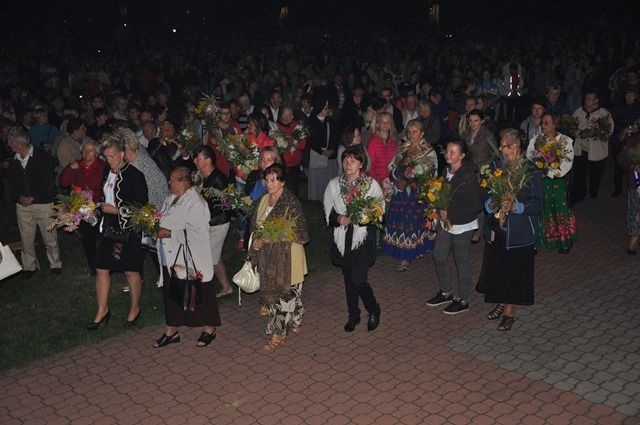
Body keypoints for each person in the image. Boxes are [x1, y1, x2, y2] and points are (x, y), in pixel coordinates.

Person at [476, 128, 542, 331]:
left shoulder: (531, 171)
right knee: (498, 268)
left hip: (519, 231)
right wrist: (490, 204)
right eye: (502, 146)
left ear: (517, 146)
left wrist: (517, 207)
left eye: (508, 146)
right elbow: (484, 191)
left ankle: (509, 310)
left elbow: (538, 205)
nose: (503, 150)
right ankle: (501, 301)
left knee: (514, 271)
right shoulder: (496, 167)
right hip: (498, 227)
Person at [153, 166, 221, 348]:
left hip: (191, 257)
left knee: (197, 294)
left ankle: (209, 328)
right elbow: (164, 219)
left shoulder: (196, 203)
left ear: (183, 182)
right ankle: (171, 331)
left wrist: (167, 233)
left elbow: (196, 233)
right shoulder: (172, 198)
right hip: (172, 256)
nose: (169, 182)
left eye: (172, 179)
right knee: (172, 294)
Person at [87, 132, 149, 330]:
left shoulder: (135, 175)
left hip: (128, 227)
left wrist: (117, 210)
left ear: (122, 153)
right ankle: (102, 309)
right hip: (108, 226)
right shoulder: (107, 171)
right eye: (106, 156)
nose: (109, 160)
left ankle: (135, 308)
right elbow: (103, 194)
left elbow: (142, 207)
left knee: (131, 270)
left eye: (112, 155)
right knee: (101, 268)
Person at [248, 163, 308, 351]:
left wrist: (277, 236)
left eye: (273, 180)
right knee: (285, 296)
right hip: (268, 258)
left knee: (285, 296)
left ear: (282, 182)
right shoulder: (263, 201)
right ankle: (296, 318)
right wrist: (256, 242)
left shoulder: (291, 202)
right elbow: (256, 228)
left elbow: (302, 235)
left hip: (288, 257)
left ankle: (279, 334)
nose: (269, 183)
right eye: (266, 180)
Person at [324, 146, 383, 332]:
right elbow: (328, 211)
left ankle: (373, 309)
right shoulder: (334, 184)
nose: (348, 164)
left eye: (353, 160)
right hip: (342, 238)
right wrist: (338, 218)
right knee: (348, 280)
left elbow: (379, 210)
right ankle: (354, 315)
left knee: (358, 279)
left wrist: (363, 217)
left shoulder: (370, 184)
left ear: (361, 164)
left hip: (362, 238)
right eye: (345, 160)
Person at [426, 139, 481, 314]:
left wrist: (451, 213)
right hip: (446, 223)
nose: (448, 154)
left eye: (453, 152)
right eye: (447, 150)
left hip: (463, 224)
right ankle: (445, 292)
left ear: (462, 156)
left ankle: (463, 300)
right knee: (439, 255)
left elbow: (476, 205)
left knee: (461, 260)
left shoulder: (468, 175)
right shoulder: (445, 171)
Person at [7, 126, 62, 279]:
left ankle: (55, 264)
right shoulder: (14, 161)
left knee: (50, 236)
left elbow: (47, 181)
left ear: (17, 143)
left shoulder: (41, 156)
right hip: (23, 206)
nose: (9, 145)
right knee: (26, 238)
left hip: (44, 204)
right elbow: (12, 184)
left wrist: (33, 197)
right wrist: (20, 198)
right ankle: (29, 266)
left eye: (10, 142)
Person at [383, 119, 438, 271]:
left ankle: (406, 257)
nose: (411, 134)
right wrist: (395, 178)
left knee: (412, 225)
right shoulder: (403, 147)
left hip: (416, 195)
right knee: (400, 222)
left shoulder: (428, 151)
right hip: (400, 194)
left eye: (414, 132)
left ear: (422, 133)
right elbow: (392, 166)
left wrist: (407, 181)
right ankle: (402, 251)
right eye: (409, 131)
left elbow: (428, 172)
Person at [526, 112, 577, 253]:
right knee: (541, 209)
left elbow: (567, 163)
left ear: (555, 124)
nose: (543, 125)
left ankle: (564, 242)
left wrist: (549, 172)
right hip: (540, 180)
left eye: (547, 122)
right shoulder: (537, 140)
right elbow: (529, 156)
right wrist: (538, 166)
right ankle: (539, 240)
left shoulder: (564, 141)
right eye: (542, 122)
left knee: (558, 210)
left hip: (557, 181)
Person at [58, 138, 106, 274]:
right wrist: (70, 168)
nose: (87, 153)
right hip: (81, 207)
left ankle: (105, 263)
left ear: (96, 153)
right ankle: (94, 266)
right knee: (88, 239)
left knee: (101, 236)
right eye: (85, 150)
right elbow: (63, 182)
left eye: (91, 150)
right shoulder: (76, 165)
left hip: (98, 206)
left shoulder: (102, 166)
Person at [193, 146, 234, 298]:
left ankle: (202, 292)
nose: (195, 161)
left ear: (208, 160)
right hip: (210, 222)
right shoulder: (203, 176)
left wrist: (205, 215)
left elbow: (226, 205)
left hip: (218, 223)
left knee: (210, 258)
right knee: (214, 257)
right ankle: (226, 287)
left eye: (198, 158)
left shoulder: (218, 179)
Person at [571, 90, 615, 204]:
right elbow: (572, 127)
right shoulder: (579, 111)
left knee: (596, 172)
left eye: (590, 99)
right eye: (586, 98)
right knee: (579, 173)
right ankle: (579, 193)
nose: (587, 101)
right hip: (581, 149)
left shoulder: (603, 113)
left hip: (597, 150)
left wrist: (598, 131)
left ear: (596, 100)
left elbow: (609, 130)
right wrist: (579, 133)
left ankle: (593, 192)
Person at [306, 97, 339, 201]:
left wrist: (332, 149)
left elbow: (336, 137)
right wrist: (322, 151)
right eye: (325, 108)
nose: (328, 110)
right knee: (318, 177)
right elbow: (311, 141)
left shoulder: (331, 121)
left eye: (327, 108)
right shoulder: (312, 122)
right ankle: (317, 197)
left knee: (328, 177)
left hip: (330, 155)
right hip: (318, 154)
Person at [617, 132, 640, 254]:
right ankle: (634, 237)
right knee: (635, 213)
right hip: (636, 184)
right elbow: (621, 159)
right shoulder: (634, 140)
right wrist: (632, 166)